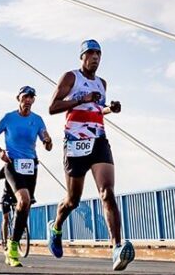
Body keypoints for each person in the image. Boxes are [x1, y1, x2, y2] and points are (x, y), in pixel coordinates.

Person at [46, 40, 134, 271]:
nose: (95, 57)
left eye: (98, 54)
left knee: (107, 192)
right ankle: (55, 227)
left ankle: (116, 248)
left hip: (98, 141)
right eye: (90, 53)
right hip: (75, 142)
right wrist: (81, 99)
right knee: (73, 200)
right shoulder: (70, 77)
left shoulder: (102, 83)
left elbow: (96, 108)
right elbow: (53, 107)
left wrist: (109, 109)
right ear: (82, 56)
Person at [0, 85, 53, 267]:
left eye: (31, 97)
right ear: (18, 98)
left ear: (34, 100)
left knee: (25, 207)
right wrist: (0, 151)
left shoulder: (38, 120)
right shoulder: (9, 118)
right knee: (23, 200)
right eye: (25, 97)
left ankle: (13, 243)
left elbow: (47, 143)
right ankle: (12, 247)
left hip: (31, 166)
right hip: (12, 164)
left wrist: (48, 141)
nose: (28, 100)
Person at [0, 168, 18, 250]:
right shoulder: (8, 167)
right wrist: (6, 169)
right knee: (5, 218)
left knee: (20, 212)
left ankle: (20, 230)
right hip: (6, 196)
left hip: (16, 195)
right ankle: (5, 241)